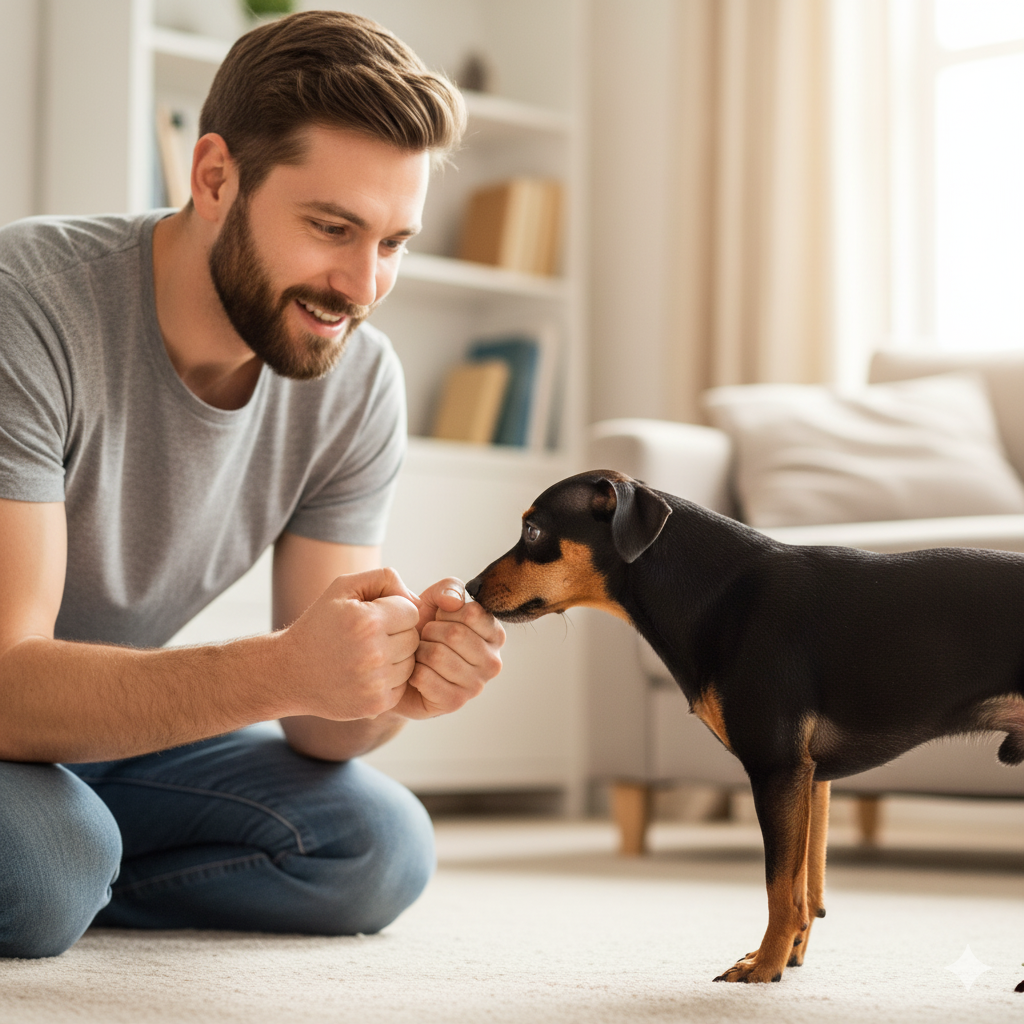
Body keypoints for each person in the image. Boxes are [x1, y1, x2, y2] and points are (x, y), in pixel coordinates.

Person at [0, 10, 506, 958]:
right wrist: (280, 668)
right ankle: (70, 871)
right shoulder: (28, 303)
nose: (362, 285)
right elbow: (8, 687)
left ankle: (80, 873)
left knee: (377, 845)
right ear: (214, 178)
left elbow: (319, 723)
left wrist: (388, 680)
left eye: (392, 243)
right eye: (332, 228)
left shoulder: (357, 381)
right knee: (45, 867)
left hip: (91, 746)